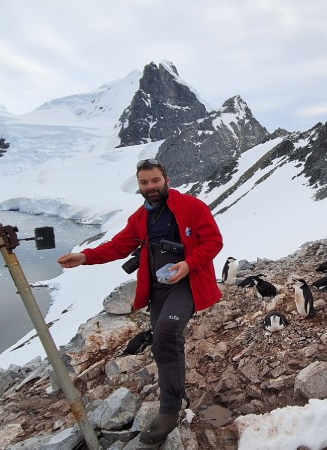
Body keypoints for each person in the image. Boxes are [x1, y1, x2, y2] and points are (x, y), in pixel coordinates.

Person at [57, 158, 223, 445]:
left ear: (166, 180)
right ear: (139, 185)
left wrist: (187, 264)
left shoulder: (192, 207)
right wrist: (85, 257)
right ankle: (177, 392)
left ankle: (169, 411)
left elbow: (213, 242)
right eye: (144, 182)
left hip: (187, 284)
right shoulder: (140, 217)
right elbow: (119, 246)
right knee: (165, 343)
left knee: (166, 336)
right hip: (158, 289)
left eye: (155, 180)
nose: (150, 187)